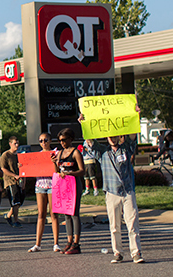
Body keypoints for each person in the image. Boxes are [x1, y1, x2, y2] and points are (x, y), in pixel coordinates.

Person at [80, 113, 145, 263]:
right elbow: (90, 142)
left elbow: (133, 136)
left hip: (127, 191)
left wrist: (136, 115)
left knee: (132, 223)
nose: (112, 138)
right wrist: (84, 123)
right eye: (109, 136)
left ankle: (136, 252)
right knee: (114, 225)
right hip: (111, 192)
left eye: (115, 136)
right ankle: (118, 252)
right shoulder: (102, 152)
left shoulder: (126, 149)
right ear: (106, 137)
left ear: (118, 136)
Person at [51, 128, 85, 255]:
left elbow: (83, 170)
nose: (62, 143)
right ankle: (69, 241)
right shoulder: (60, 153)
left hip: (74, 185)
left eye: (64, 140)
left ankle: (76, 243)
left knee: (74, 213)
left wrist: (71, 173)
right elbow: (57, 171)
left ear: (71, 139)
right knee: (66, 214)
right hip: (63, 186)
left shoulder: (75, 153)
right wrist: (54, 163)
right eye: (60, 140)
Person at [28, 133, 61, 253]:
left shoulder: (55, 153)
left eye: (45, 140)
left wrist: (54, 162)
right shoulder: (38, 155)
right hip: (40, 185)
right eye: (41, 140)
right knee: (41, 214)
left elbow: (58, 171)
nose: (43, 143)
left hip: (52, 184)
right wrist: (22, 167)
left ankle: (56, 243)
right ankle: (37, 244)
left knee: (54, 214)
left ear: (50, 140)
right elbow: (30, 169)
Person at [0, 136, 23, 228]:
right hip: (10, 181)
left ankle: (8, 215)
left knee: (20, 201)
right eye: (15, 143)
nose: (17, 145)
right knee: (15, 201)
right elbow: (3, 169)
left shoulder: (19, 155)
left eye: (17, 143)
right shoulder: (6, 155)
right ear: (10, 144)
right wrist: (14, 175)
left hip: (19, 181)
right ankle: (16, 221)